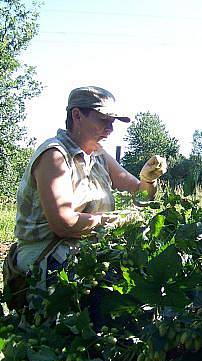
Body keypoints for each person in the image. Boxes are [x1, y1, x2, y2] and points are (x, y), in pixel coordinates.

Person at [13, 86, 167, 300]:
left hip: (86, 251)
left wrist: (148, 180)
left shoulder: (98, 154)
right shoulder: (55, 156)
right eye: (104, 120)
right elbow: (63, 223)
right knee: (103, 304)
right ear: (77, 115)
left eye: (113, 122)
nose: (110, 129)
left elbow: (140, 196)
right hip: (46, 256)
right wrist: (115, 221)